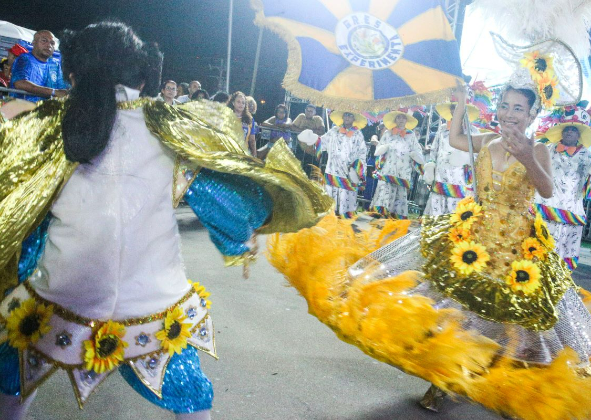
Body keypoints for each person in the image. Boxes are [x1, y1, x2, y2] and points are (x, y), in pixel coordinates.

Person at [0, 21, 331, 420]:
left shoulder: (48, 126)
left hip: (57, 296)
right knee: (190, 399)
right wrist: (250, 225)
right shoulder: (168, 127)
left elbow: (22, 208)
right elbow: (225, 199)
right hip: (151, 303)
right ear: (141, 75)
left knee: (10, 383)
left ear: (72, 73)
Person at [268, 50, 591, 420]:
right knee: (457, 309)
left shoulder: (539, 149)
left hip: (517, 249)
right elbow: (455, 138)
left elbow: (547, 191)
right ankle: (443, 381)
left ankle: (503, 386)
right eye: (505, 105)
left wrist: (528, 158)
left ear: (532, 115)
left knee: (510, 322)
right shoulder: (486, 140)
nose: (509, 114)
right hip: (472, 237)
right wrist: (460, 103)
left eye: (518, 108)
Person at [533, 103, 591, 270]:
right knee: (539, 242)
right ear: (561, 131)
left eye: (573, 129)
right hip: (546, 204)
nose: (569, 132)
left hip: (571, 208)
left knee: (566, 246)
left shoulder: (587, 155)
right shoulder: (548, 149)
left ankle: (559, 280)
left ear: (579, 134)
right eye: (567, 129)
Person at [298, 111, 367, 218]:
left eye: (350, 115)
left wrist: (358, 172)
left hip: (347, 174)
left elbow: (362, 153)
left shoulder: (358, 134)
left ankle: (345, 228)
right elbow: (323, 142)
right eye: (345, 114)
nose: (347, 117)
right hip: (332, 171)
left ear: (354, 119)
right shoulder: (334, 131)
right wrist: (313, 138)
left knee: (346, 205)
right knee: (330, 204)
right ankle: (329, 225)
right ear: (342, 116)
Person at [423, 100, 480, 216]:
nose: (456, 110)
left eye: (460, 107)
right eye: (453, 107)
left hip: (462, 181)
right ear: (450, 110)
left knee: (456, 221)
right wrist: (430, 166)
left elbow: (477, 158)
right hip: (441, 178)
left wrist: (466, 159)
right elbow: (434, 150)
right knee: (435, 217)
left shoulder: (474, 132)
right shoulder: (443, 129)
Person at [369, 110, 424, 218]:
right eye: (399, 117)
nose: (401, 120)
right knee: (384, 195)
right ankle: (378, 220)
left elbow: (419, 154)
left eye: (403, 118)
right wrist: (385, 147)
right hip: (388, 171)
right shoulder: (388, 133)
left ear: (406, 120)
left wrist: (414, 154)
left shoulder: (411, 135)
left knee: (399, 200)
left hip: (402, 174)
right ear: (395, 119)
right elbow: (378, 150)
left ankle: (394, 226)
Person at [10, 30, 69, 102]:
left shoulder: (55, 64)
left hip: (45, 110)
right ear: (33, 43)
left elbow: (63, 88)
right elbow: (20, 84)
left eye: (52, 43)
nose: (49, 45)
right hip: (21, 109)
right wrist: (53, 92)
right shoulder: (25, 59)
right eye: (44, 41)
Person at [227, 91, 256, 156]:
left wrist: (254, 154)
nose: (241, 104)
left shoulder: (250, 119)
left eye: (243, 103)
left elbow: (252, 140)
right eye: (238, 102)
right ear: (233, 103)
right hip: (228, 152)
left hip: (243, 154)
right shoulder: (226, 116)